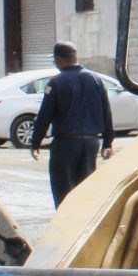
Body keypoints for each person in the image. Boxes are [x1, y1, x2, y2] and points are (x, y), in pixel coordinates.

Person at [28, 43, 115, 205]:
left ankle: (65, 219)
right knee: (85, 189)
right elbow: (106, 111)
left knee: (63, 190)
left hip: (65, 145)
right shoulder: (96, 80)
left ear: (59, 60)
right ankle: (84, 219)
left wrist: (35, 143)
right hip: (91, 143)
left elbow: (45, 115)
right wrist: (107, 142)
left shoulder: (55, 83)